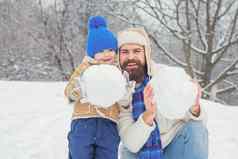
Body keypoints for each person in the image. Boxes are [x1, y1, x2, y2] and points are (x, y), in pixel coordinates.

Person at [117, 27, 208, 159]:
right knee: (127, 149)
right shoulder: (117, 90)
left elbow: (199, 124)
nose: (131, 57)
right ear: (118, 56)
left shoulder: (164, 76)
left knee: (196, 128)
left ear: (146, 54)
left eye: (137, 51)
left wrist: (194, 107)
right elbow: (131, 144)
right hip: (139, 152)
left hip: (173, 147)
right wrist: (148, 115)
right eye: (125, 52)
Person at [64, 16, 121, 159]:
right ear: (92, 53)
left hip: (109, 123)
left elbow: (124, 92)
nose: (107, 54)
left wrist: (126, 89)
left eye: (110, 49)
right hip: (83, 121)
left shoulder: (118, 71)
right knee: (79, 152)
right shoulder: (84, 68)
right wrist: (79, 90)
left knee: (108, 154)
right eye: (101, 50)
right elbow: (69, 91)